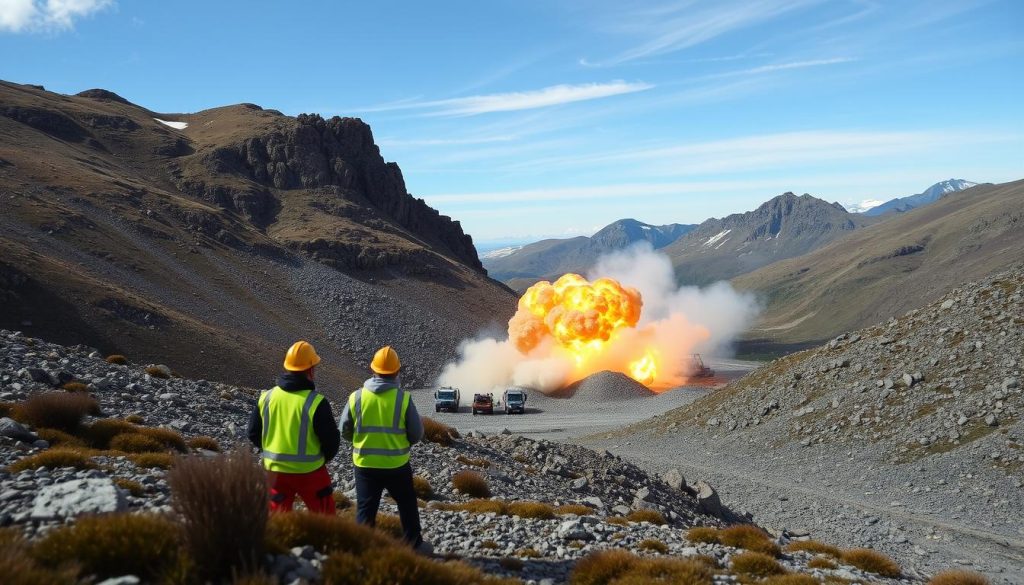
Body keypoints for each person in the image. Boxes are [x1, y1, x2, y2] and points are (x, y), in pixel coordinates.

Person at [340, 345, 430, 553]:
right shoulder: (403, 399)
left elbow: (344, 429)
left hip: (365, 465)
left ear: (373, 370)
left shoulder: (356, 397)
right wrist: (403, 444)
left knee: (365, 507)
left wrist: (358, 442)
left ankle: (362, 549)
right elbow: (416, 434)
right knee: (407, 504)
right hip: (396, 465)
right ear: (396, 372)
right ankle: (414, 544)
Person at [247, 341, 341, 514]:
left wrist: (271, 450)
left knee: (277, 520)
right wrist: (321, 458)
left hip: (275, 470)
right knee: (325, 519)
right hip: (310, 472)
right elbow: (331, 442)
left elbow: (252, 432)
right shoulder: (316, 402)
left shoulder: (267, 398)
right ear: (311, 370)